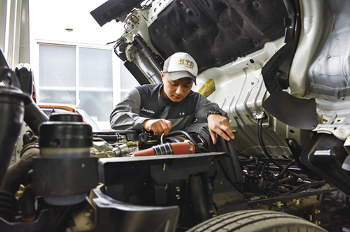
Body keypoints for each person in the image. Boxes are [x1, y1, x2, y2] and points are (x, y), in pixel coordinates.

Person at [110, 52, 234, 145]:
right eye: (174, 83)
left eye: (187, 85)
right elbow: (116, 117)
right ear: (162, 75)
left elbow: (209, 108)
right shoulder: (141, 94)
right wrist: (145, 122)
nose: (179, 91)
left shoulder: (195, 100)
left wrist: (213, 115)